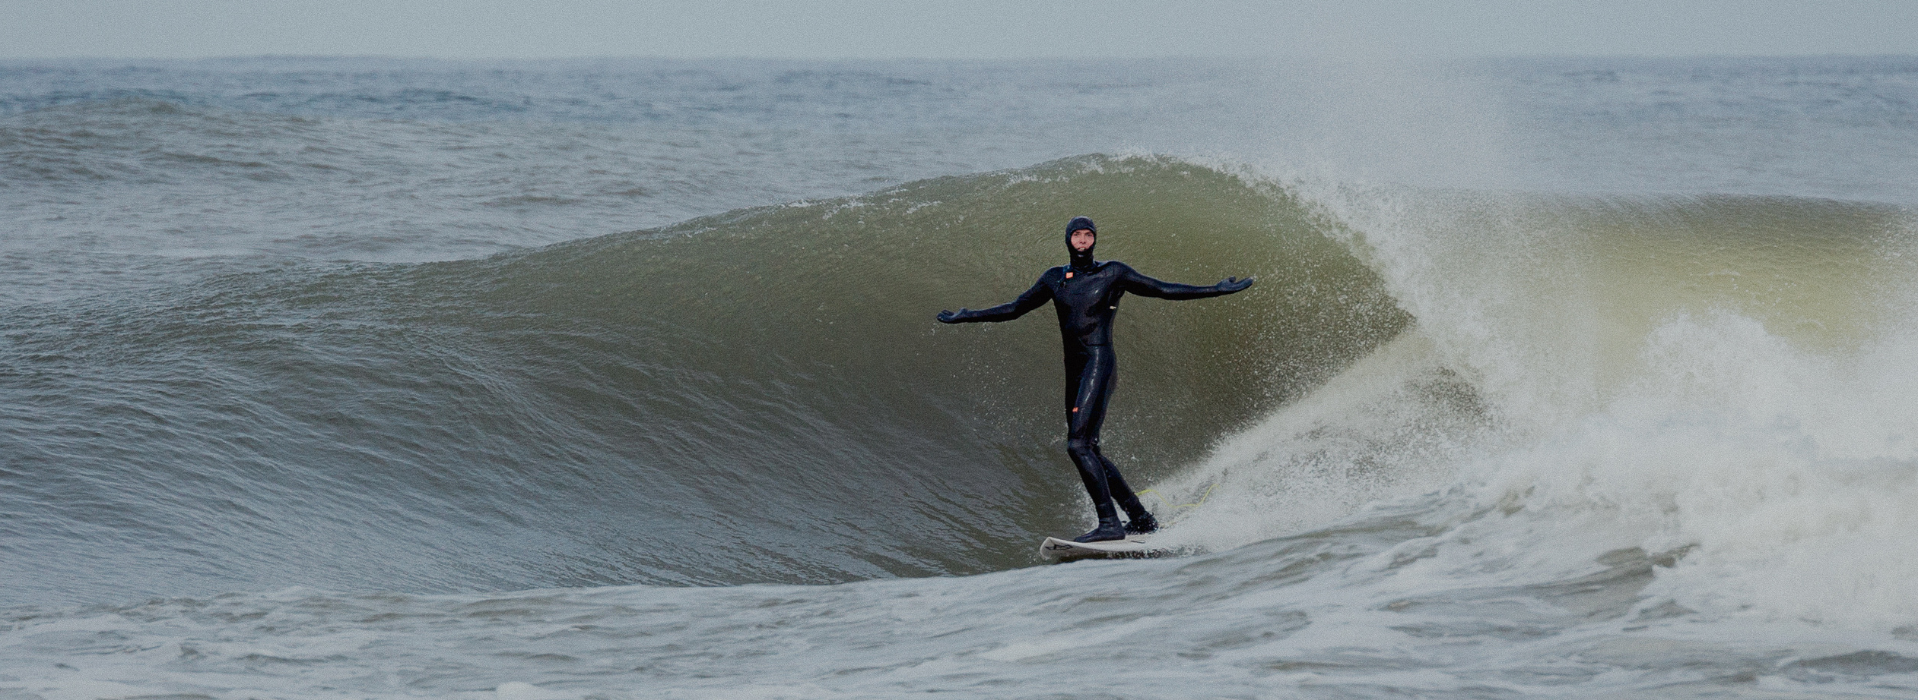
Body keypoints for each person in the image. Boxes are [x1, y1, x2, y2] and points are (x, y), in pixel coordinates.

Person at [937, 216, 1255, 542]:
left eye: (1088, 235)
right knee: (1089, 447)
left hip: (1099, 362)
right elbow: (1016, 308)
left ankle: (1109, 523)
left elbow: (1161, 289)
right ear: (1068, 239)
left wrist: (1215, 290)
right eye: (1077, 235)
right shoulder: (1054, 279)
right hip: (1074, 369)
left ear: (1095, 240)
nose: (1083, 240)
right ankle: (1141, 519)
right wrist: (968, 315)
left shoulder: (1113, 273)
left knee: (1077, 445)